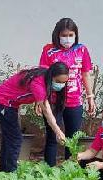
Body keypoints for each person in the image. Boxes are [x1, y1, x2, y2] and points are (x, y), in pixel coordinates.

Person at [0, 62, 70, 173]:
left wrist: (38, 101)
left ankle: (5, 173)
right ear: (51, 76)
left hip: (9, 104)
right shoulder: (38, 83)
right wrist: (58, 132)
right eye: (58, 82)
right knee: (15, 139)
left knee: (9, 139)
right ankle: (10, 175)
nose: (61, 85)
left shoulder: (46, 72)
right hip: (2, 102)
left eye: (64, 82)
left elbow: (42, 98)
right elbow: (47, 111)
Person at [38, 17, 94, 166]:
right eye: (64, 35)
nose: (67, 38)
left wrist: (90, 96)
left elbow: (85, 74)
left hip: (75, 101)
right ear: (57, 35)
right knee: (52, 137)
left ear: (76, 35)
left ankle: (70, 170)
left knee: (72, 139)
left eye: (71, 35)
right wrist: (39, 100)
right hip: (52, 100)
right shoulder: (48, 50)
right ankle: (49, 172)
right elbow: (43, 75)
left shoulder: (81, 50)